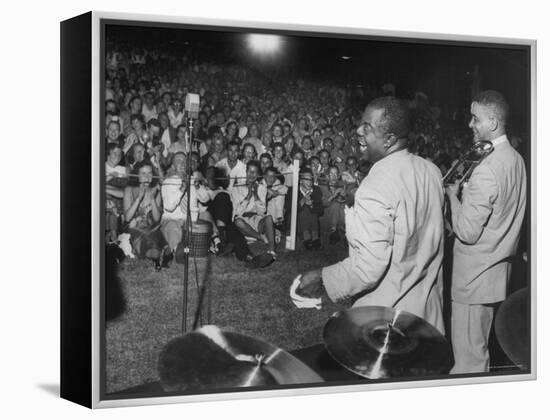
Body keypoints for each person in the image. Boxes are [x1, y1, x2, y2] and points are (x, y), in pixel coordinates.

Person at [298, 97, 446, 335]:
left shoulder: (375, 185)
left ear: (389, 140)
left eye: (367, 127)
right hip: (427, 315)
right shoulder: (431, 171)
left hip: (387, 321)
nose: (357, 131)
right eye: (360, 123)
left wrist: (323, 278)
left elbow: (368, 268)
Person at [445, 90, 526, 374]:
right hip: (496, 275)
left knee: (468, 364)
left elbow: (466, 231)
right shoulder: (516, 159)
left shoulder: (487, 169)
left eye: (475, 118)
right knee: (480, 354)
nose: (470, 124)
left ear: (492, 121)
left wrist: (453, 197)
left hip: (473, 280)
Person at [123, 161, 168, 270]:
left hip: (152, 227)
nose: (147, 177)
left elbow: (157, 218)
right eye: (143, 173)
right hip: (135, 228)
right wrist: (139, 198)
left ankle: (157, 256)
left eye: (149, 173)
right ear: (137, 175)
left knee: (154, 234)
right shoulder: (129, 190)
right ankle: (157, 257)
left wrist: (152, 198)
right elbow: (127, 218)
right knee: (145, 237)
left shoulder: (156, 190)